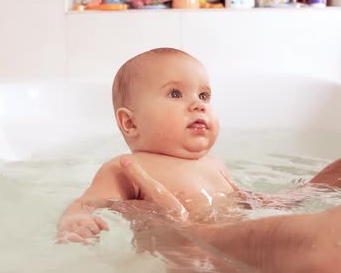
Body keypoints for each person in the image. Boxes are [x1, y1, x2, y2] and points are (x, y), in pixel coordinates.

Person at [56, 47, 341, 271]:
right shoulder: (127, 168)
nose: (198, 104)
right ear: (130, 123)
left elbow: (245, 200)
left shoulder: (215, 164)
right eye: (175, 93)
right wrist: (77, 219)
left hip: (235, 256)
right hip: (181, 262)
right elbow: (87, 202)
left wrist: (293, 197)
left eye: (204, 95)